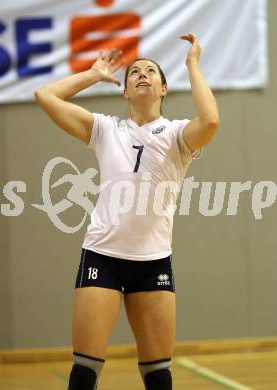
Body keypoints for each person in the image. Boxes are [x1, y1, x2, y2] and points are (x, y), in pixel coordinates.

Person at [35, 33, 219, 390]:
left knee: (157, 374)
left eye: (151, 71)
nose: (142, 74)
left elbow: (210, 120)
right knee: (85, 372)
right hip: (102, 255)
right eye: (134, 72)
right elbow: (45, 96)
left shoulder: (177, 135)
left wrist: (193, 63)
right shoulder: (105, 129)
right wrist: (92, 74)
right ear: (125, 91)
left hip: (153, 262)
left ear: (164, 89)